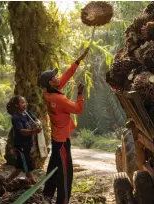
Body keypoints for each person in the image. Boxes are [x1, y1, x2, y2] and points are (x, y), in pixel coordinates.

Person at [38, 47, 89, 204]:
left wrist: (78, 61)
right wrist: (80, 93)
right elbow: (78, 109)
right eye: (54, 76)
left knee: (53, 169)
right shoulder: (59, 100)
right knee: (66, 174)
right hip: (62, 143)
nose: (57, 77)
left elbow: (66, 76)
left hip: (56, 139)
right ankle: (63, 201)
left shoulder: (49, 93)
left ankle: (46, 195)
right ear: (51, 82)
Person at [5, 95, 42, 184]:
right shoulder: (15, 117)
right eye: (22, 103)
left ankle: (7, 181)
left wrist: (38, 123)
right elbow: (22, 132)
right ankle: (32, 181)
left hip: (27, 145)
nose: (25, 104)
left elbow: (36, 120)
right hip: (20, 146)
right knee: (26, 165)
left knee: (19, 167)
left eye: (25, 102)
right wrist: (34, 131)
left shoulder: (27, 113)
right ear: (17, 105)